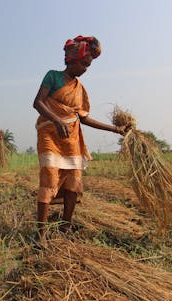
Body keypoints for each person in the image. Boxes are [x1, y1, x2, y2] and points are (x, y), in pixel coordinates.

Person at [33, 35, 129, 237]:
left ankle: (66, 225)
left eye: (88, 66)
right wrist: (57, 121)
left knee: (72, 183)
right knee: (49, 178)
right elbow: (38, 103)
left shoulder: (80, 89)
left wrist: (115, 129)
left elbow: (83, 118)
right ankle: (40, 233)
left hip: (72, 139)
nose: (85, 69)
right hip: (50, 135)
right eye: (84, 64)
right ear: (73, 59)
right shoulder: (53, 76)